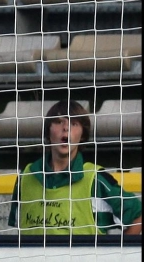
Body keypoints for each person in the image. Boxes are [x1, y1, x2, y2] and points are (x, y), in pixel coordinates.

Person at [8, 100, 142, 235]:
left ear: (82, 135)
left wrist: (115, 256)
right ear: (48, 130)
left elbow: (138, 215)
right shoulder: (26, 176)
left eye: (74, 123)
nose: (66, 128)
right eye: (59, 121)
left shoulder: (96, 179)